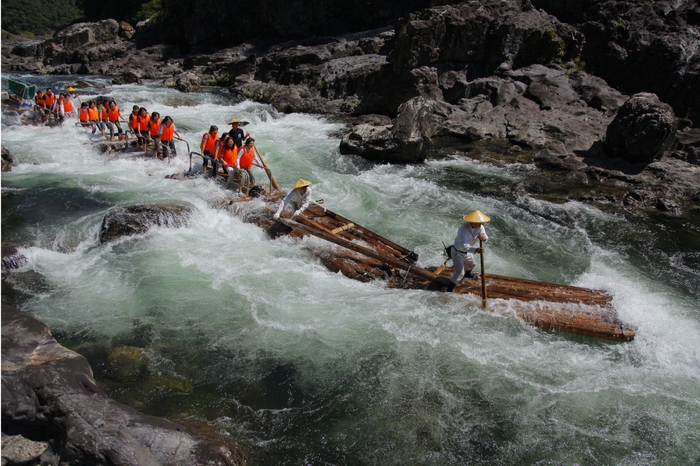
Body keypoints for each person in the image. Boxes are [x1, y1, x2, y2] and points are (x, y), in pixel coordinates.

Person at [447, 210, 490, 292]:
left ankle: (468, 274)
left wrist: (484, 238)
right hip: (458, 252)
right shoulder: (463, 229)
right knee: (459, 273)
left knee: (472, 264)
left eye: (480, 222)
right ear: (471, 222)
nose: (480, 224)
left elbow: (485, 237)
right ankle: (449, 290)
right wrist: (476, 250)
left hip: (467, 252)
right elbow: (464, 246)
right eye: (477, 222)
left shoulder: (480, 227)